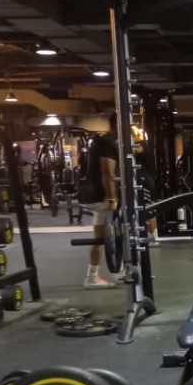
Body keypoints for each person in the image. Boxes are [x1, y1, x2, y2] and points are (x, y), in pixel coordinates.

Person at [82, 113, 119, 288]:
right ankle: (91, 277)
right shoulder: (107, 142)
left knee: (110, 236)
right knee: (101, 238)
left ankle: (120, 271)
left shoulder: (104, 140)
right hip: (103, 196)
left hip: (98, 194)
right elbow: (107, 171)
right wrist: (111, 198)